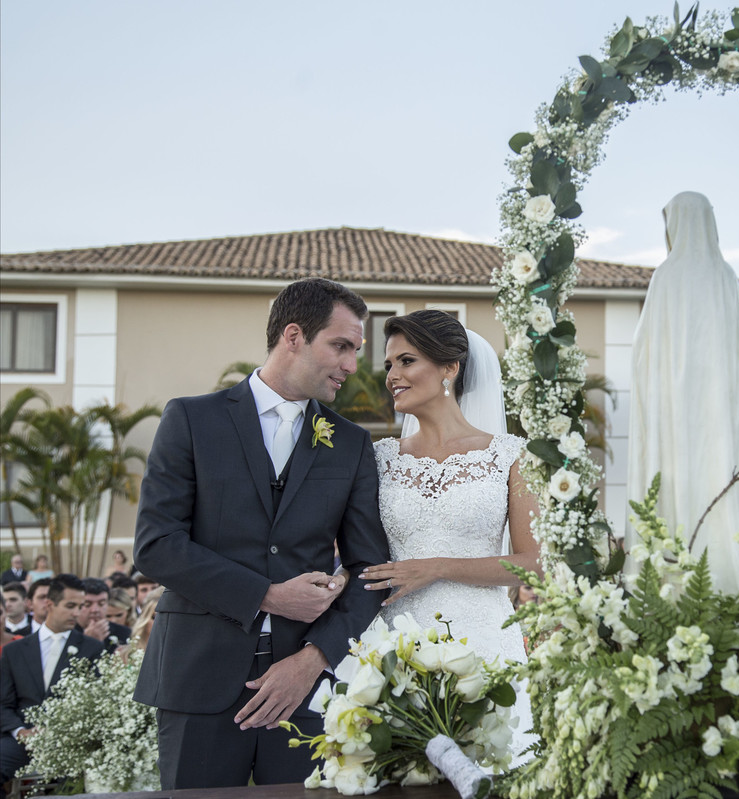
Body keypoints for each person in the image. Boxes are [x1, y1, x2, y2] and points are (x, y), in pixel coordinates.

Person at [132, 278, 390, 789]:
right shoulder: (190, 420)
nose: (351, 365)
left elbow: (370, 571)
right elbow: (156, 545)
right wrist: (267, 596)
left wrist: (313, 661)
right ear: (293, 336)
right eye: (341, 346)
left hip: (307, 692)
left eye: (356, 351)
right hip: (197, 680)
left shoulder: (353, 444)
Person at [360, 310, 541, 760]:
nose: (393, 376)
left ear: (449, 367)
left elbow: (534, 565)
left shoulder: (511, 456)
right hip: (394, 644)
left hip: (482, 646)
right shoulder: (377, 459)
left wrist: (437, 568)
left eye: (406, 361)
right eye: (389, 365)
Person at [625, 191, 739, 594]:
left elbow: (644, 350)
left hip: (673, 404)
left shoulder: (667, 276)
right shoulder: (724, 276)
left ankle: (678, 569)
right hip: (718, 405)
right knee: (715, 466)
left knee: (677, 472)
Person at [0, 574, 105, 783]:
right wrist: (21, 732)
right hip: (21, 742)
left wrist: (62, 732)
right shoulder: (14, 650)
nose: (77, 613)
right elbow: (4, 704)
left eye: (80, 606)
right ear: (50, 604)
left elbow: (96, 705)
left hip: (70, 743)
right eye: (70, 605)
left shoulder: (93, 648)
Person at [77, 577, 130, 653]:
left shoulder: (124, 633)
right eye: (88, 604)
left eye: (101, 604)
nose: (95, 610)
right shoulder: (66, 632)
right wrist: (88, 641)